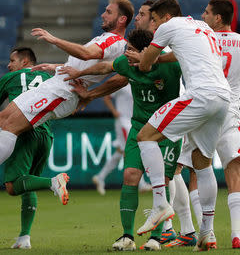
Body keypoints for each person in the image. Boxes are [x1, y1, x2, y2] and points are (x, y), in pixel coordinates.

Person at [0, 0, 135, 198]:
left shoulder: (115, 41)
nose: (103, 14)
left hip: (63, 93)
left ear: (121, 19)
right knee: (2, 117)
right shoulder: (109, 40)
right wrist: (57, 67)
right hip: (55, 84)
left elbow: (88, 56)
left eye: (109, 11)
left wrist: (55, 40)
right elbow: (86, 67)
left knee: (11, 127)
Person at [59, 28, 183, 251]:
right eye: (127, 50)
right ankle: (127, 236)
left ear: (147, 52)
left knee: (161, 180)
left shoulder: (171, 66)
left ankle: (156, 237)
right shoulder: (127, 64)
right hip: (139, 127)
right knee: (129, 175)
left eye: (132, 51)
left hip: (167, 129)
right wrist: (78, 74)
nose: (126, 54)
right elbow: (106, 67)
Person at [127, 0, 231, 251]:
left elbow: (145, 63)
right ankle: (207, 233)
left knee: (145, 136)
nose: (151, 24)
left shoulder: (167, 27)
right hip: (222, 98)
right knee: (202, 162)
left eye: (153, 19)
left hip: (200, 95)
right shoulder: (200, 26)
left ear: (164, 16)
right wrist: (159, 58)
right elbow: (177, 54)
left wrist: (141, 58)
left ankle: (161, 203)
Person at [175, 0, 240, 249]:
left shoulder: (201, 40)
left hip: (202, 112)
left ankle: (206, 233)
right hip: (230, 112)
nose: (203, 16)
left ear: (218, 18)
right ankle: (237, 236)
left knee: (197, 172)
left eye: (207, 12)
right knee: (234, 171)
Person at [0, 47, 67, 249]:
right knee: (28, 182)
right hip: (45, 135)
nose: (9, 65)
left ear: (25, 61)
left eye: (12, 60)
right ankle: (24, 237)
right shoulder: (48, 77)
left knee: (13, 185)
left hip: (22, 133)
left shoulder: (10, 78)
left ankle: (53, 182)